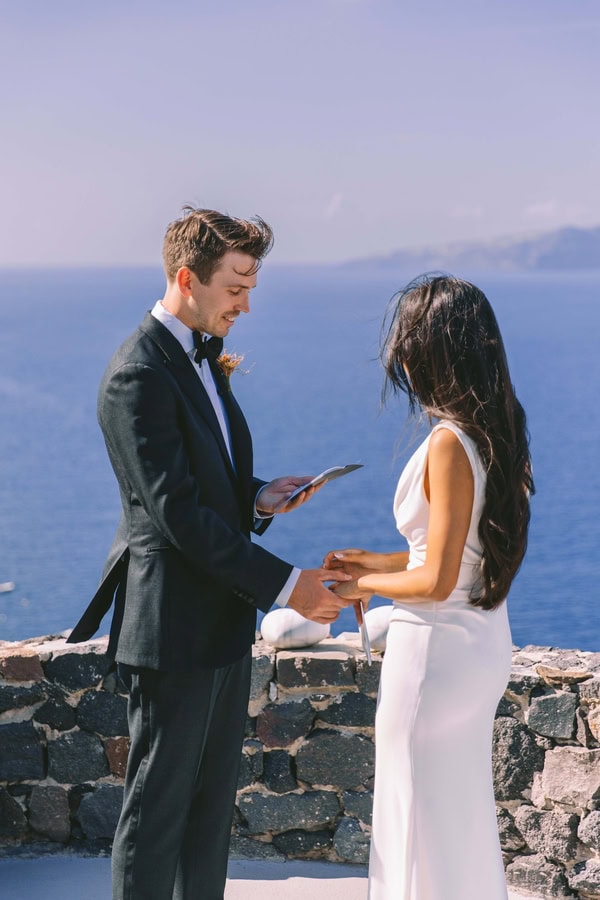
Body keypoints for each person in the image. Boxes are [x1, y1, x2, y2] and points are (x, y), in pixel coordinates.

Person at [67, 207, 351, 900]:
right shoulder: (136, 375)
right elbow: (176, 517)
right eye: (237, 286)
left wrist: (257, 497)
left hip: (218, 624)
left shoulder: (197, 356)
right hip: (171, 630)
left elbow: (206, 485)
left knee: (207, 819)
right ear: (187, 277)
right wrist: (288, 586)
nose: (247, 305)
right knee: (156, 814)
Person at [325, 275, 533, 900]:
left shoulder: (447, 443)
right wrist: (377, 562)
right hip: (480, 645)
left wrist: (360, 585)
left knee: (411, 813)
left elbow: (437, 579)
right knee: (455, 816)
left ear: (433, 350)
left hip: (435, 655)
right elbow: (460, 556)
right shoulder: (496, 435)